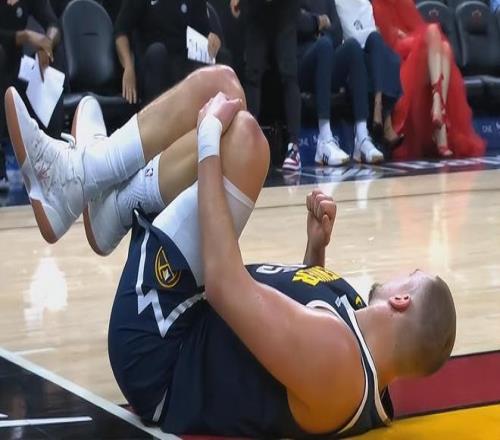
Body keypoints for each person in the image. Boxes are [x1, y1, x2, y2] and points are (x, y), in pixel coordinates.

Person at [5, 65, 456, 438]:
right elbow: (285, 353)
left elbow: (225, 286)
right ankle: (101, 192)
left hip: (159, 348)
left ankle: (94, 184)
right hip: (185, 308)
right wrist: (314, 255)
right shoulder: (353, 344)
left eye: (410, 274)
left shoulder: (340, 364)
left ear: (402, 300)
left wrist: (207, 143)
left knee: (242, 140)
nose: (400, 273)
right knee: (223, 89)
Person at [372, 0, 485, 160]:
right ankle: (439, 119)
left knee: (444, 47)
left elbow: (416, 27)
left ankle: (438, 107)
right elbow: (387, 38)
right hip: (397, 56)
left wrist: (412, 37)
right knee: (433, 33)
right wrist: (408, 36)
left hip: (416, 50)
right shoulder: (377, 4)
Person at [297, 0, 384, 165]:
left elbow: (337, 33)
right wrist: (318, 22)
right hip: (302, 65)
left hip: (327, 59)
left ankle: (361, 137)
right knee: (324, 44)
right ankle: (324, 139)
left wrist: (314, 26)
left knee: (352, 46)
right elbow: (296, 23)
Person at [230, 0, 303, 171]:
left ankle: (294, 147)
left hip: (284, 10)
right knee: (252, 75)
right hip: (256, 10)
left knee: (289, 75)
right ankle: (248, 145)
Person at [0, 0, 62, 190]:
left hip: (17, 66)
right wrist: (24, 36)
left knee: (53, 58)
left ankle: (53, 161)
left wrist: (47, 44)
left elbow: (53, 24)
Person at [115, 0, 222, 106]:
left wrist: (213, 39)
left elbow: (204, 31)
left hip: (185, 58)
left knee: (222, 58)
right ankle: (156, 113)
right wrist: (128, 67)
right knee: (157, 53)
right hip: (153, 63)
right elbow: (121, 32)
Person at [334, 0, 403, 150]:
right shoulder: (339, 3)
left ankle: (379, 105)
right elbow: (351, 36)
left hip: (371, 51)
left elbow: (371, 33)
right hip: (352, 55)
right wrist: (372, 32)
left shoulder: (365, 3)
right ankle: (386, 122)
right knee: (379, 47)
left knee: (389, 55)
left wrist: (372, 33)